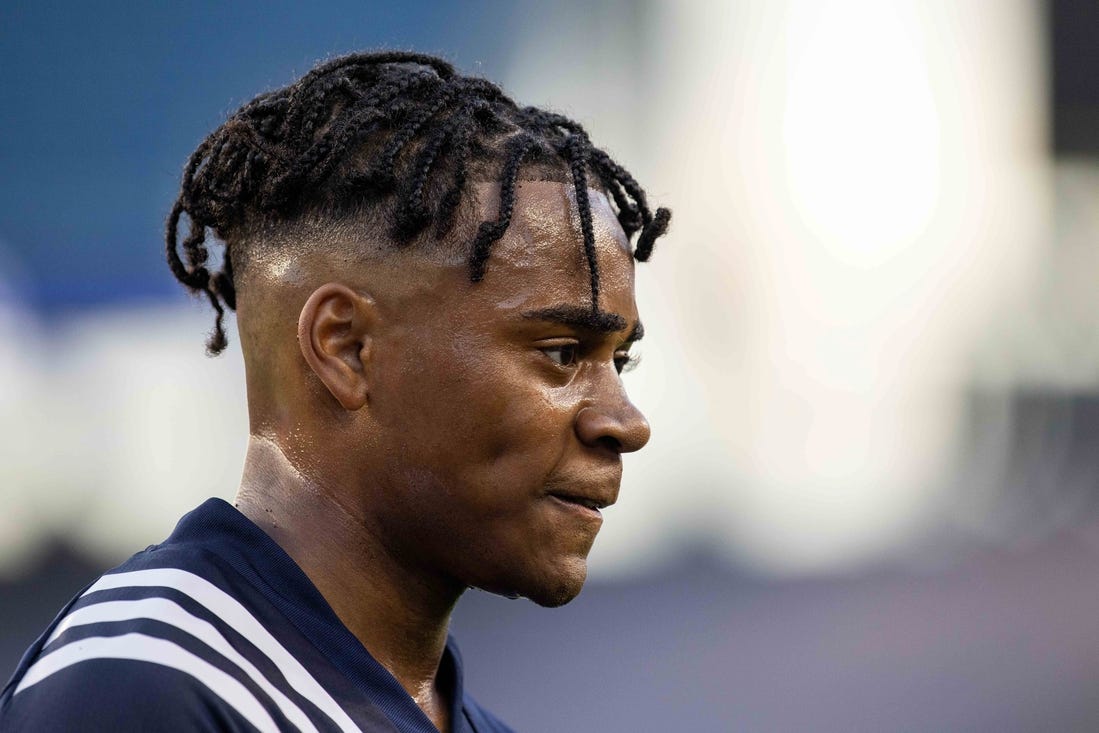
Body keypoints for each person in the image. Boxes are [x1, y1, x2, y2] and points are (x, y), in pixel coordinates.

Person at [0, 51, 670, 732]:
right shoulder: (141, 688)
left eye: (621, 358)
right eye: (561, 352)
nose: (624, 421)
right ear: (345, 347)